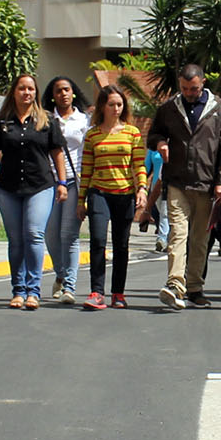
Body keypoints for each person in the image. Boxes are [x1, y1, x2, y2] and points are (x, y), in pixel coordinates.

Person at [0, 74, 69, 310]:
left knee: (33, 234)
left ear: (35, 93)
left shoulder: (46, 120)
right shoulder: (3, 121)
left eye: (30, 88)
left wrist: (62, 182)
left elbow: (57, 153)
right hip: (8, 188)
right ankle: (18, 290)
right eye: (22, 88)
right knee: (16, 240)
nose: (26, 92)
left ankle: (33, 290)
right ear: (14, 92)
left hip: (40, 186)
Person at [147, 64, 221, 309]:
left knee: (199, 239)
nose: (189, 93)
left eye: (193, 88)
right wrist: (161, 142)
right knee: (178, 234)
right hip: (177, 182)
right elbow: (152, 135)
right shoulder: (169, 109)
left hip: (206, 184)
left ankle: (195, 287)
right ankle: (175, 283)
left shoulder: (218, 109)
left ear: (203, 82)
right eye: (184, 88)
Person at [78, 86, 148, 309]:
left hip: (124, 193)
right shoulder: (92, 135)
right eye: (111, 104)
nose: (116, 109)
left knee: (121, 245)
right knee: (98, 241)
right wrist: (81, 200)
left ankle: (118, 292)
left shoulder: (132, 133)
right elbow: (86, 168)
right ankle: (97, 292)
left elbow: (138, 164)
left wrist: (142, 189)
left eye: (120, 104)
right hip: (99, 192)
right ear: (102, 107)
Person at [44, 77, 90, 305]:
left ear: (73, 93)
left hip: (74, 181)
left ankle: (69, 287)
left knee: (68, 235)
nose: (63, 94)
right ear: (52, 95)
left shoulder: (83, 120)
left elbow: (88, 151)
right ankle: (60, 273)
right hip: (48, 182)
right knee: (50, 235)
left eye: (66, 90)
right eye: (58, 91)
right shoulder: (45, 118)